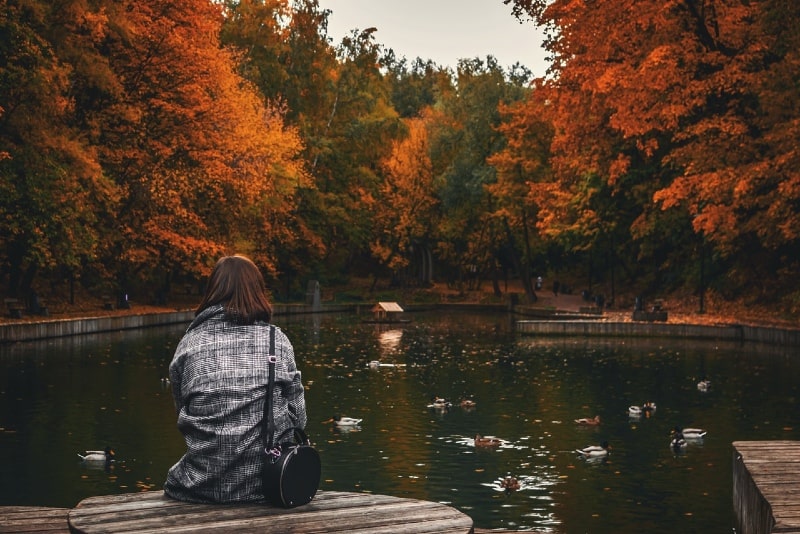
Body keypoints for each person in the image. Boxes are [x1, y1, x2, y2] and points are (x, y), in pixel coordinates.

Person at [164, 255, 307, 503]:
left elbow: (183, 412)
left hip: (198, 485)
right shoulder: (277, 341)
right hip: (268, 484)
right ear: (258, 292)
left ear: (212, 292)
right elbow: (299, 418)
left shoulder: (190, 344)